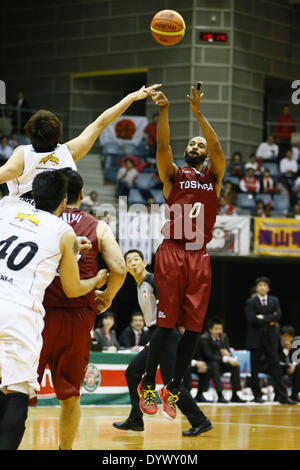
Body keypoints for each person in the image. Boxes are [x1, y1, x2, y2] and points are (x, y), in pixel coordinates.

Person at [0, 170, 108, 450]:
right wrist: (97, 281)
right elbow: (72, 289)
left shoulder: (7, 210)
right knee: (17, 393)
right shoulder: (64, 232)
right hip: (18, 313)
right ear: (64, 201)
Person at [137, 81, 226, 420]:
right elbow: (162, 146)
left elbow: (218, 150)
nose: (194, 144)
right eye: (190, 142)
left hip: (200, 255)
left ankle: (172, 388)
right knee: (166, 324)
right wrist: (164, 111)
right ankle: (148, 383)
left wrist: (198, 114)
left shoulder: (213, 177)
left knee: (193, 326)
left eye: (198, 143)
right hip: (173, 250)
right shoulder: (173, 175)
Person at [36, 169, 126, 450]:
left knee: (13, 390)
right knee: (70, 395)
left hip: (39, 312)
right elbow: (120, 268)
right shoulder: (98, 226)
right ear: (82, 195)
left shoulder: (41, 222)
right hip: (77, 315)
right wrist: (108, 295)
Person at [0, 84, 161, 207]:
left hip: (16, 220)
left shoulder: (22, 155)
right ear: (59, 135)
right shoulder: (68, 152)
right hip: (49, 223)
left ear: (29, 135)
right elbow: (101, 122)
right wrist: (132, 97)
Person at [113, 249, 212, 437]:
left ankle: (200, 421)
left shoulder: (154, 281)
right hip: (156, 335)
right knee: (133, 372)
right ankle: (135, 419)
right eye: (129, 260)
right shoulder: (139, 284)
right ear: (126, 267)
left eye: (136, 259)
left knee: (171, 383)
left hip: (165, 335)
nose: (133, 262)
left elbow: (168, 311)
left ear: (144, 263)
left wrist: (159, 336)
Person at [245, 276, 297, 404]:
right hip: (256, 338)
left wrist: (262, 317)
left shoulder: (274, 300)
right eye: (259, 285)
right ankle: (257, 395)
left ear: (268, 288)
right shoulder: (250, 302)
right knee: (255, 368)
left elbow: (278, 316)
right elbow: (251, 319)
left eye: (264, 285)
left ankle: (282, 396)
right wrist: (270, 319)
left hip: (270, 338)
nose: (262, 287)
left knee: (276, 367)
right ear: (257, 288)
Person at [199, 317, 246, 403]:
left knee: (235, 366)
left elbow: (228, 352)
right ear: (210, 329)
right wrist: (226, 358)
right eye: (216, 329)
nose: (219, 331)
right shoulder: (204, 338)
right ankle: (220, 395)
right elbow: (209, 356)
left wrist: (228, 354)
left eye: (220, 329)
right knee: (214, 365)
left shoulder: (224, 336)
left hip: (220, 362)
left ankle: (235, 395)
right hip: (208, 363)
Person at [278, 326, 300, 402]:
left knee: (298, 368)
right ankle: (279, 395)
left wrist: (293, 365)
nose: (287, 339)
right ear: (281, 336)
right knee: (276, 369)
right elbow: (276, 360)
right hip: (279, 366)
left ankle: (295, 394)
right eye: (285, 336)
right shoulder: (276, 343)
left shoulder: (296, 343)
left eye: (289, 337)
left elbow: (297, 358)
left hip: (289, 367)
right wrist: (286, 350)